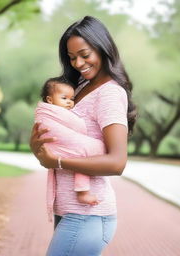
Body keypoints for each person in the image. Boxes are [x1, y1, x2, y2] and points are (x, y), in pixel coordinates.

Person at [30, 15, 136, 256]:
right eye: (71, 57)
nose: (78, 63)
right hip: (69, 210)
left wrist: (56, 161)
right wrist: (37, 145)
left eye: (85, 55)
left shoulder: (109, 94)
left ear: (103, 47)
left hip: (88, 216)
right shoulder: (78, 87)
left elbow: (117, 162)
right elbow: (58, 141)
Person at [38, 76, 100, 206]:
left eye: (72, 99)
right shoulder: (47, 112)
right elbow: (78, 125)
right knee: (84, 154)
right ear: (49, 100)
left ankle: (82, 192)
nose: (69, 102)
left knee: (81, 158)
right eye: (64, 98)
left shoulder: (62, 112)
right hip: (55, 143)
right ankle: (82, 193)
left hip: (59, 147)